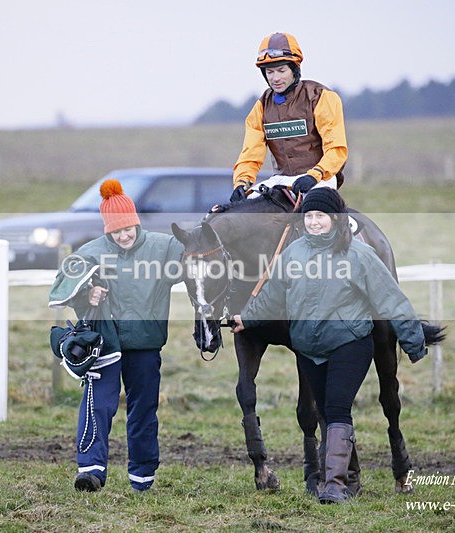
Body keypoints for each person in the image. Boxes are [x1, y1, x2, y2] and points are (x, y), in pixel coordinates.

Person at [229, 187, 427, 504]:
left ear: (335, 219)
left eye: (321, 216)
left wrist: (413, 341)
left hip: (349, 342)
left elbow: (392, 299)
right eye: (310, 216)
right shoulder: (291, 255)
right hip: (309, 348)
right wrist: (247, 320)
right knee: (323, 409)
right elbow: (271, 295)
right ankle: (351, 480)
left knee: (336, 409)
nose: (315, 222)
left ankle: (334, 485)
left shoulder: (360, 255)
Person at [48, 179, 184, 493]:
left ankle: (142, 477)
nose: (123, 236)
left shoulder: (163, 246)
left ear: (136, 223)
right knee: (98, 406)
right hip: (104, 345)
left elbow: (197, 251)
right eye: (116, 231)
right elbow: (62, 289)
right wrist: (88, 294)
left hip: (146, 344)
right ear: (108, 230)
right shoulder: (91, 252)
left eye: (128, 229)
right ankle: (91, 470)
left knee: (144, 410)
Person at [230, 32, 349, 203]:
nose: (275, 78)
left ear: (294, 70)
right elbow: (250, 154)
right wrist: (241, 183)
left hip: (320, 178)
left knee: (314, 214)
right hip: (282, 180)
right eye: (270, 72)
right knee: (244, 212)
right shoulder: (261, 107)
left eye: (281, 70)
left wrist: (315, 175)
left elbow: (336, 150)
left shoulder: (321, 97)